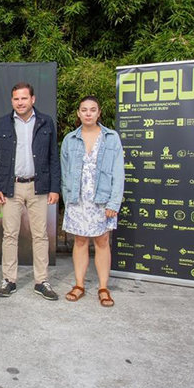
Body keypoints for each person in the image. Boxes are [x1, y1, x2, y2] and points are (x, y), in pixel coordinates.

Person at [0, 82, 61, 300]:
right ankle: (9, 280)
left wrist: (55, 188)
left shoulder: (46, 122)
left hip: (39, 187)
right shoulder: (2, 124)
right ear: (12, 101)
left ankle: (42, 281)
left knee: (40, 235)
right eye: (16, 99)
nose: (20, 102)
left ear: (33, 99)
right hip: (11, 187)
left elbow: (53, 158)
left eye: (24, 98)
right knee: (9, 235)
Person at [61, 95, 124, 307]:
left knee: (102, 241)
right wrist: (67, 199)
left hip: (102, 199)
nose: (88, 113)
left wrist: (114, 203)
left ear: (99, 113)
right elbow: (64, 174)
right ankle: (79, 284)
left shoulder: (111, 138)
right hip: (77, 199)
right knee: (79, 241)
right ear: (78, 113)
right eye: (84, 110)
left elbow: (118, 172)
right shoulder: (70, 139)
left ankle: (103, 287)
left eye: (92, 109)